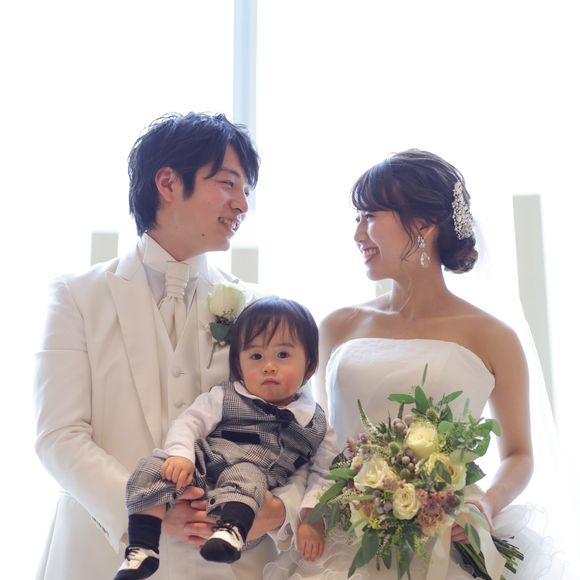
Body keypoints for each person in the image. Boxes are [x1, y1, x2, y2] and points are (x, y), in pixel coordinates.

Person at [264, 149, 562, 579]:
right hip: (343, 544)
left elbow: (519, 454)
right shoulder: (336, 326)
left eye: (370, 216)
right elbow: (322, 445)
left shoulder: (494, 337)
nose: (358, 234)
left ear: (423, 224)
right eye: (357, 218)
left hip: (447, 538)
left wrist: (486, 504)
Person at [33, 112, 307, 580]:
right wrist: (146, 509)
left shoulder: (259, 307)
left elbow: (301, 429)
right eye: (228, 184)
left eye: (246, 190)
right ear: (167, 183)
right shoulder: (77, 296)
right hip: (102, 554)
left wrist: (279, 510)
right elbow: (59, 436)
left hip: (230, 563)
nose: (242, 204)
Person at [114, 296, 336, 579]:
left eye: (283, 355)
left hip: (250, 503)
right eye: (256, 357)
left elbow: (323, 474)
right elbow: (189, 422)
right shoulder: (225, 396)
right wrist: (181, 456)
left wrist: (311, 518)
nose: (269, 366)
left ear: (310, 366)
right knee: (151, 466)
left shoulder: (317, 424)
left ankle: (230, 532)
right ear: (239, 366)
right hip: (202, 470)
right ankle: (142, 547)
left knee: (245, 474)